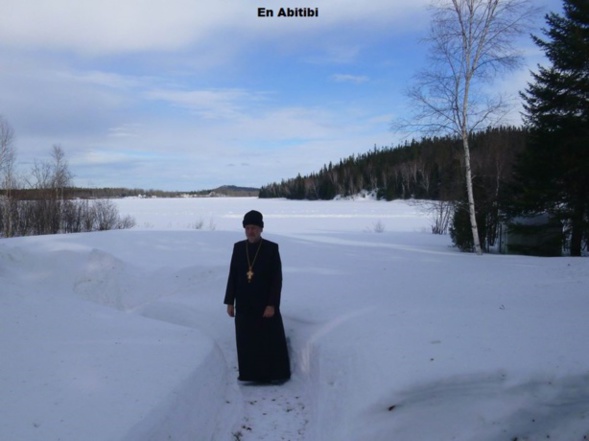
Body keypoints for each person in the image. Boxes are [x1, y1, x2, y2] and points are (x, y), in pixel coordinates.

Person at [224, 210, 291, 384]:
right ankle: (250, 375)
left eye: (254, 228)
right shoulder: (239, 248)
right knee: (247, 342)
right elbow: (233, 275)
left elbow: (277, 280)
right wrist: (230, 301)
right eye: (247, 228)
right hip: (244, 304)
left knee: (268, 341)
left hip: (265, 304)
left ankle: (275, 375)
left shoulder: (271, 248)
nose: (250, 231)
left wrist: (272, 304)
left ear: (261, 229)